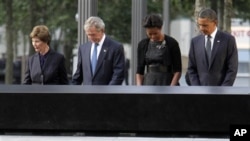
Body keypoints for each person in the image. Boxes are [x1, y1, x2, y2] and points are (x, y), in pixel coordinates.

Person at [187, 8, 238, 86]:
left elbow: (232, 69)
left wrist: (224, 90)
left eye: (205, 25)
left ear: (215, 23)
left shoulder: (228, 40)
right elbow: (191, 69)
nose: (201, 28)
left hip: (221, 93)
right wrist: (197, 89)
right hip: (200, 93)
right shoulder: (195, 42)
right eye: (199, 25)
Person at [72, 16, 125, 85]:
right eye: (88, 35)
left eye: (93, 35)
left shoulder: (115, 48)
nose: (90, 38)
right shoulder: (83, 49)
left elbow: (118, 74)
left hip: (106, 93)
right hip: (87, 94)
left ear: (102, 30)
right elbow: (78, 74)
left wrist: (109, 93)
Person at [136, 14, 182, 86]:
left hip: (167, 81)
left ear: (160, 28)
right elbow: (139, 70)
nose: (153, 36)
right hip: (149, 81)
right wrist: (139, 87)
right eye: (150, 34)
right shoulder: (143, 44)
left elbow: (178, 70)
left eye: (155, 33)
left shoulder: (172, 43)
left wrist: (172, 87)